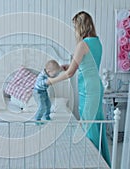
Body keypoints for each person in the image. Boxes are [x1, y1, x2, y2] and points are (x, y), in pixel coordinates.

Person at [47, 11, 111, 166]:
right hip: (96, 85)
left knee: (88, 124)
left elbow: (70, 74)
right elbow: (88, 65)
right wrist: (67, 67)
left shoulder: (82, 44)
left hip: (88, 88)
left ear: (80, 27)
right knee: (96, 122)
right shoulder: (97, 41)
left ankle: (92, 161)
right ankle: (101, 160)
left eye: (75, 26)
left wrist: (51, 81)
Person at [33, 60, 61, 124]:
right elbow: (40, 83)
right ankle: (37, 119)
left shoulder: (49, 73)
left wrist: (62, 69)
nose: (54, 75)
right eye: (54, 74)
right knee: (42, 106)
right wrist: (47, 81)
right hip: (38, 92)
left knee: (48, 104)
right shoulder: (42, 75)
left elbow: (55, 73)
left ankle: (46, 116)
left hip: (44, 91)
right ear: (48, 71)